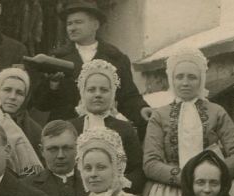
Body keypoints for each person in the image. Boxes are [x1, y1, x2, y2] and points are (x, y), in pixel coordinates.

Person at [143, 47, 234, 196]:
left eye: (192, 77)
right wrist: (186, 177)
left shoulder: (217, 111)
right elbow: (151, 163)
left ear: (201, 79)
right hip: (173, 186)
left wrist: (213, 175)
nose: (185, 82)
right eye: (179, 77)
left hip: (214, 183)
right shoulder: (159, 116)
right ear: (171, 79)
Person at [31, 0, 150, 134]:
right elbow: (41, 104)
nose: (72, 28)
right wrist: (53, 85)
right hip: (66, 133)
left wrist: (141, 109)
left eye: (78, 22)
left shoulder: (115, 58)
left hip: (104, 130)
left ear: (95, 25)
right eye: (69, 23)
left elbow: (128, 97)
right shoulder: (56, 59)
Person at [69, 59, 144, 194]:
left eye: (104, 90)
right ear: (83, 93)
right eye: (91, 90)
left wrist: (118, 187)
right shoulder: (70, 128)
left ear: (112, 93)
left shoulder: (125, 128)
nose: (98, 94)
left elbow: (137, 170)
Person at [24, 120, 86, 196]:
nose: (60, 155)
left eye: (67, 148)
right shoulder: (26, 187)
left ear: (77, 148)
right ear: (42, 150)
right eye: (53, 149)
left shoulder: (92, 182)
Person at [0, 67, 42, 153]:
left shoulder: (35, 131)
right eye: (7, 90)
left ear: (25, 98)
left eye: (19, 93)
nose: (12, 97)